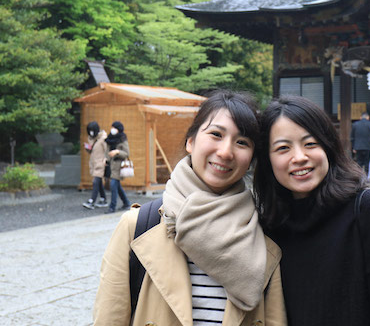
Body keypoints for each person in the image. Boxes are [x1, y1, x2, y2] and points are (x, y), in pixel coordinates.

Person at [93, 90, 286, 326]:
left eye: (242, 142)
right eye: (216, 134)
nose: (226, 152)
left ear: (251, 158)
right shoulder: (137, 227)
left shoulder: (263, 237)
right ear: (190, 141)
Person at [254, 95, 370, 326]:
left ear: (328, 146)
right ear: (267, 159)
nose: (300, 157)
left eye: (310, 144)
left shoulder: (367, 210)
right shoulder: (269, 224)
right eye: (283, 148)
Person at [104, 121, 132, 213]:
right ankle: (127, 203)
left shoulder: (122, 138)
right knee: (117, 186)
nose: (112, 130)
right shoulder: (109, 138)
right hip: (111, 166)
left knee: (113, 185)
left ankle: (112, 207)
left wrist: (117, 152)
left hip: (118, 166)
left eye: (114, 128)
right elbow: (108, 151)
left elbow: (127, 153)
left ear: (118, 129)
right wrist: (106, 159)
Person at [82, 121, 109, 209]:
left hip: (101, 163)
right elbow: (92, 151)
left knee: (96, 181)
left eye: (92, 130)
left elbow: (107, 150)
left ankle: (92, 201)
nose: (91, 132)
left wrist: (106, 159)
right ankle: (103, 199)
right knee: (99, 181)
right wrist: (87, 148)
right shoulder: (91, 139)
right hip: (94, 163)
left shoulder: (103, 138)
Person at [350, 112, 370, 176]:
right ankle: (366, 177)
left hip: (358, 146)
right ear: (368, 117)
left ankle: (359, 177)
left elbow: (352, 137)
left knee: (359, 163)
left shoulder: (355, 124)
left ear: (360, 117)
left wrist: (353, 147)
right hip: (368, 146)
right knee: (367, 163)